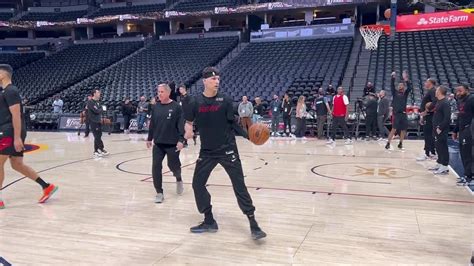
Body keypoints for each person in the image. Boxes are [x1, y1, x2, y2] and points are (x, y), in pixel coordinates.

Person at [183, 67, 266, 240]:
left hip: (228, 149)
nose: (217, 81)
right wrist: (187, 131)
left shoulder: (226, 100)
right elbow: (189, 122)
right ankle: (209, 220)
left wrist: (248, 136)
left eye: (218, 79)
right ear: (204, 81)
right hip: (207, 151)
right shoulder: (194, 101)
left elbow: (233, 124)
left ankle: (253, 223)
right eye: (213, 79)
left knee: (239, 185)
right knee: (197, 184)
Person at [0, 64, 58, 209]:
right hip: (10, 131)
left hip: (9, 131)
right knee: (17, 164)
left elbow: (16, 115)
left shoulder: (10, 91)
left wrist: (17, 137)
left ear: (3, 74)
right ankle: (46, 186)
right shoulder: (6, 91)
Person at [146, 84, 185, 203]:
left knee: (173, 166)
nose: (159, 94)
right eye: (158, 92)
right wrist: (149, 138)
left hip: (172, 143)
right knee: (156, 166)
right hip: (158, 143)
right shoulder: (156, 107)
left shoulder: (176, 107)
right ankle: (159, 192)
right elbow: (152, 124)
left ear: (168, 93)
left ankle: (178, 178)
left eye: (162, 92)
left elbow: (180, 125)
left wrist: (181, 140)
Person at [452, 84, 474, 186]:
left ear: (467, 90)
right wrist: (455, 131)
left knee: (468, 154)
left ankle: (470, 177)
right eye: (457, 91)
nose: (458, 93)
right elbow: (460, 117)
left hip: (469, 130)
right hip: (462, 130)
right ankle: (467, 175)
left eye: (460, 91)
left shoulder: (472, 99)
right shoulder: (461, 101)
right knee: (464, 154)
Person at [385, 71, 412, 150]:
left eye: (402, 85)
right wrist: (393, 77)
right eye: (399, 85)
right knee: (393, 129)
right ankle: (388, 143)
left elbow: (409, 88)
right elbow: (391, 86)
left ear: (403, 87)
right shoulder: (395, 92)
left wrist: (406, 80)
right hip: (396, 114)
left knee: (403, 130)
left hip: (403, 114)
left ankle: (400, 143)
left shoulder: (405, 94)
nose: (400, 86)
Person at [429, 86, 451, 175]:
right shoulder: (439, 101)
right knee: (438, 146)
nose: (435, 91)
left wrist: (440, 128)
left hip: (441, 129)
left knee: (443, 147)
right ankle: (439, 163)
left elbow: (447, 117)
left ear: (440, 92)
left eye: (437, 90)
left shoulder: (445, 102)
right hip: (436, 128)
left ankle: (445, 166)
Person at [417, 78, 437, 161]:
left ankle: (427, 153)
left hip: (429, 116)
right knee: (429, 135)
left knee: (428, 135)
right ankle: (432, 153)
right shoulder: (431, 91)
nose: (425, 83)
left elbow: (435, 102)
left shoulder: (432, 90)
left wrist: (426, 111)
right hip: (427, 116)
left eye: (426, 82)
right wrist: (423, 116)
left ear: (430, 83)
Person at [87, 89, 109, 158]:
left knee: (98, 135)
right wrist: (102, 109)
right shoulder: (90, 102)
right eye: (98, 92)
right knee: (97, 136)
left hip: (98, 121)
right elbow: (96, 111)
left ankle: (96, 151)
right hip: (93, 121)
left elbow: (100, 110)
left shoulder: (98, 102)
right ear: (94, 94)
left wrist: (101, 109)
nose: (99, 93)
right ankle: (101, 149)